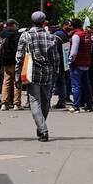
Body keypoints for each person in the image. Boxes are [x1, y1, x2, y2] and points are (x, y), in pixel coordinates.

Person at [15, 10, 63, 142]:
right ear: (44, 22)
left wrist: (17, 75)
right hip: (47, 71)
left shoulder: (26, 36)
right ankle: (41, 126)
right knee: (45, 100)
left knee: (34, 100)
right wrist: (56, 72)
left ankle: (42, 128)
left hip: (32, 72)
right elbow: (56, 58)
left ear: (32, 22)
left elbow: (19, 57)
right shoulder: (51, 37)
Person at [67, 17, 93, 113]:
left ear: (72, 25)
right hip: (86, 63)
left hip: (77, 64)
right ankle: (89, 105)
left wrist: (70, 61)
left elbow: (73, 52)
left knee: (76, 86)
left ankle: (76, 106)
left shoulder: (76, 36)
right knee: (87, 85)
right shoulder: (86, 35)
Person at [0, 20, 22, 110]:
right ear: (13, 25)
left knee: (6, 82)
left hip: (5, 61)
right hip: (16, 61)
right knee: (17, 81)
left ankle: (4, 103)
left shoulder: (2, 35)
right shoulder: (17, 35)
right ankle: (17, 103)